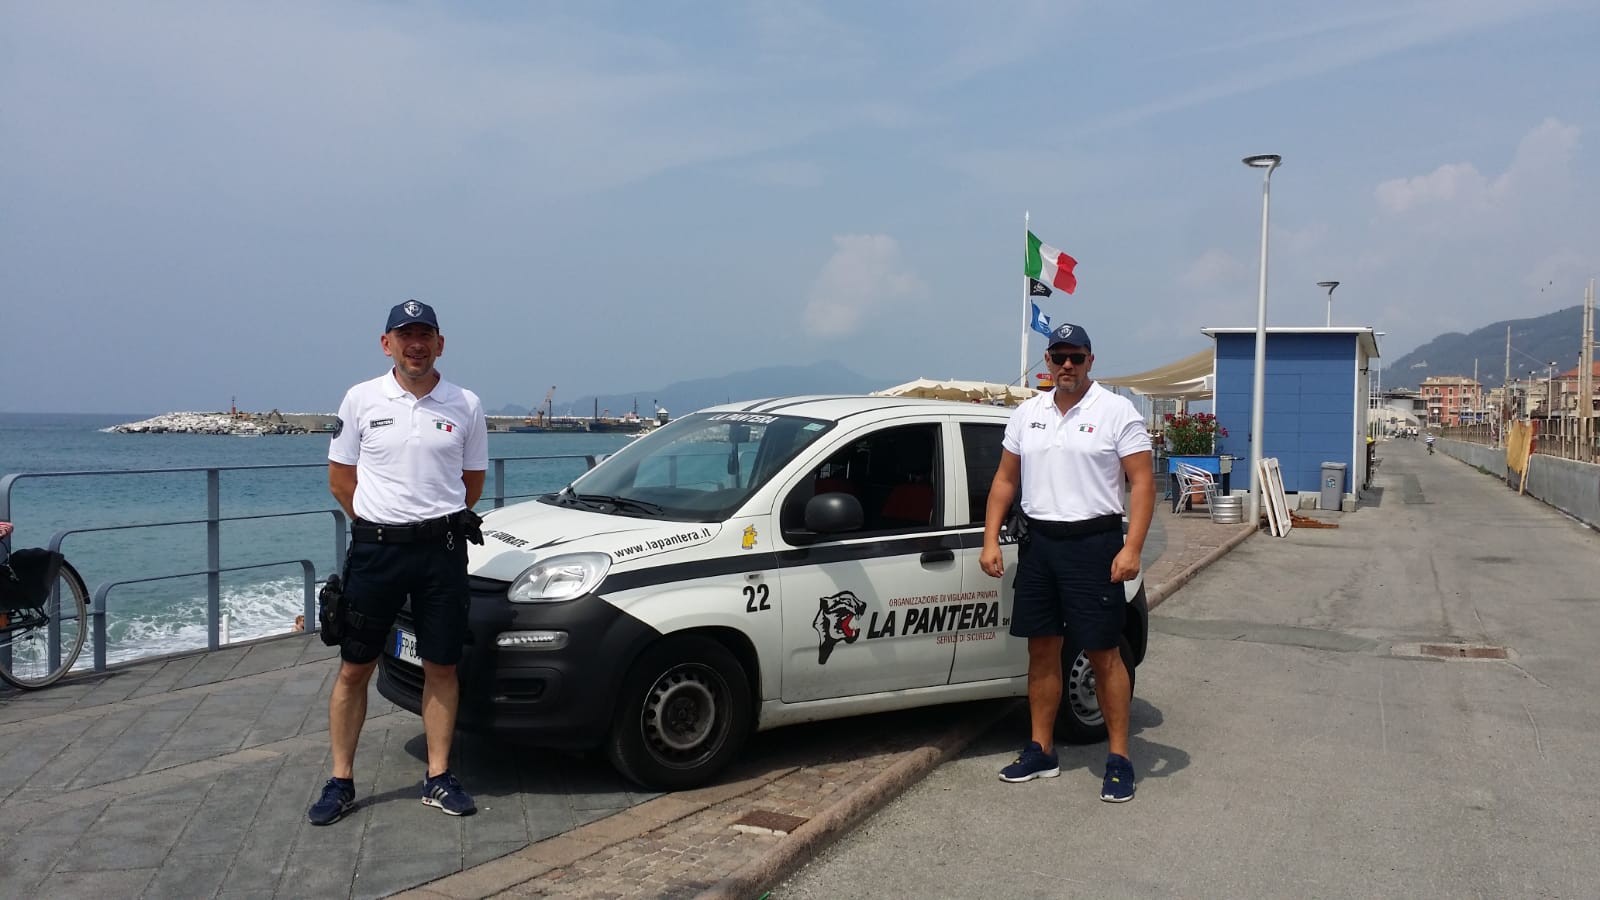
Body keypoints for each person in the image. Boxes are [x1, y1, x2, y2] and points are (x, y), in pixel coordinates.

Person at [307, 299, 489, 826]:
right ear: (386, 343)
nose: (416, 344)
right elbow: (341, 479)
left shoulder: (465, 404)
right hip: (376, 552)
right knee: (354, 667)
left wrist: (428, 519)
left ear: (440, 343)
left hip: (442, 553)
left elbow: (470, 485)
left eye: (425, 334)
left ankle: (437, 777)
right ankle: (340, 781)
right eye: (404, 335)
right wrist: (379, 522)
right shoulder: (361, 399)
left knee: (442, 665)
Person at [980, 322, 1155, 802]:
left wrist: (1132, 547)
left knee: (1102, 652)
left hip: (1093, 544)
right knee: (1041, 649)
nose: (1066, 366)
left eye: (1076, 357)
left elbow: (1142, 483)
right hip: (1040, 545)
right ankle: (1041, 749)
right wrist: (990, 539)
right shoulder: (1027, 413)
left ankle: (1118, 758)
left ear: (1090, 361)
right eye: (1058, 357)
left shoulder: (1117, 411)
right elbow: (1004, 480)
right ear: (1048, 361)